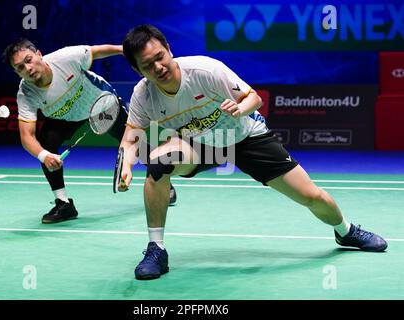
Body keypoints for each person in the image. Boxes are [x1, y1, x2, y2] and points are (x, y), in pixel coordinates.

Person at [119, 24, 388, 280]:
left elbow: (254, 98)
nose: (158, 67)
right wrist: (127, 166)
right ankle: (157, 249)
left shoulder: (205, 70)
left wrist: (240, 109)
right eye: (147, 65)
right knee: (158, 163)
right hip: (199, 145)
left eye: (160, 57)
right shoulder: (143, 95)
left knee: (311, 196)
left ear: (168, 48)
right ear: (137, 69)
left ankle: (346, 231)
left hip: (245, 136)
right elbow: (131, 138)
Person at [2, 38, 177, 224]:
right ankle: (64, 204)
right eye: (20, 67)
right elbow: (26, 136)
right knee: (46, 142)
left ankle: (163, 182)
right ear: (17, 73)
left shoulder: (66, 58)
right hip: (65, 116)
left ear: (38, 54)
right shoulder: (26, 94)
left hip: (101, 103)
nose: (27, 68)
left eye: (28, 60)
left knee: (133, 142)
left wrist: (126, 51)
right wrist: (45, 156)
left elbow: (97, 51)